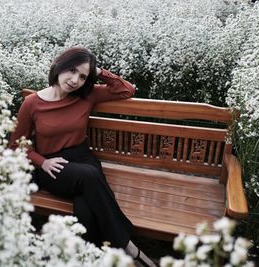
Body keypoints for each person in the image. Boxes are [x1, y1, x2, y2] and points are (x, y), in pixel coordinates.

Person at [9, 47, 156, 267]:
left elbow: (127, 90)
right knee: (90, 176)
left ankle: (92, 255)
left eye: (83, 76)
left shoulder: (87, 95)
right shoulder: (32, 103)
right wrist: (42, 161)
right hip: (53, 166)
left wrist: (98, 72)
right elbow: (14, 146)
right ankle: (127, 246)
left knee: (86, 206)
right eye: (72, 70)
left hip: (83, 157)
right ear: (59, 65)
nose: (75, 80)